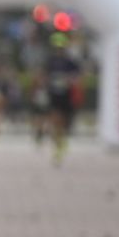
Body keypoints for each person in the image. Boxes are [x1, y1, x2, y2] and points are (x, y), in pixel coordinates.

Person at [43, 35, 82, 166]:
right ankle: (57, 146)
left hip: (66, 96)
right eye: (57, 48)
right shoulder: (50, 61)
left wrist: (70, 80)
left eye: (61, 47)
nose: (59, 50)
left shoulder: (70, 62)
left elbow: (78, 75)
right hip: (54, 95)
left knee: (64, 122)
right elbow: (44, 76)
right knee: (55, 121)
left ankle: (62, 140)